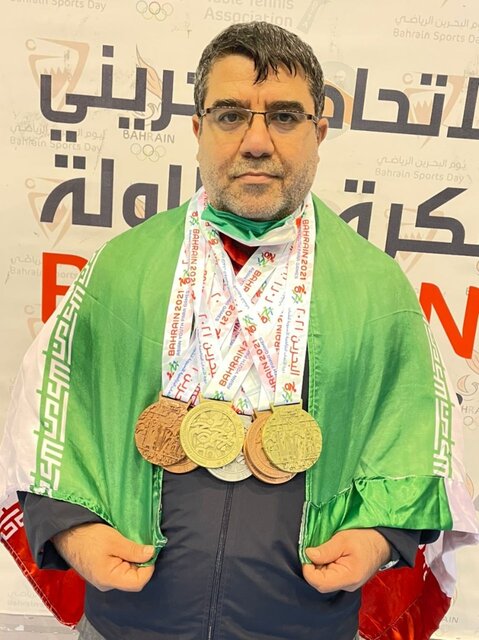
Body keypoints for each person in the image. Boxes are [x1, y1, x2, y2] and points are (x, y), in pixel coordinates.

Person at [1, 21, 477, 640]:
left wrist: (378, 537)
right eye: (230, 115)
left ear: (319, 133)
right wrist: (73, 530)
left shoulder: (376, 289)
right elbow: (49, 421)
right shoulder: (120, 269)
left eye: (284, 117)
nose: (256, 142)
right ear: (197, 130)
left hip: (304, 624)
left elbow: (414, 439)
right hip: (131, 622)